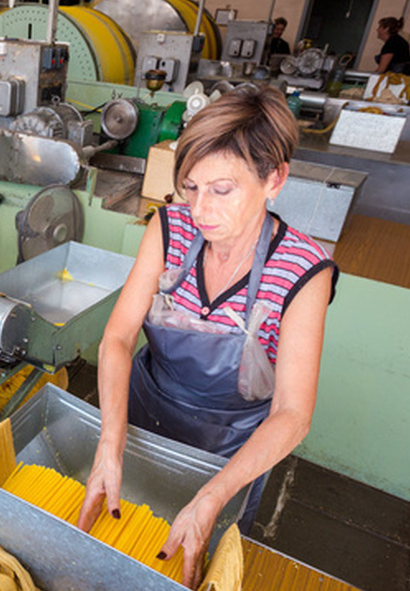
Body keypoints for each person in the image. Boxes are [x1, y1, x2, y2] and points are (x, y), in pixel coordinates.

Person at [75, 86, 337, 589]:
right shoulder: (169, 229)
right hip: (145, 417)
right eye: (190, 187)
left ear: (274, 180)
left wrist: (215, 495)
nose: (199, 209)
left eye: (222, 190)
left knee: (196, 556)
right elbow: (118, 339)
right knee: (123, 536)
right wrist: (111, 441)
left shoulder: (303, 270)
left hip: (231, 449)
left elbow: (292, 414)